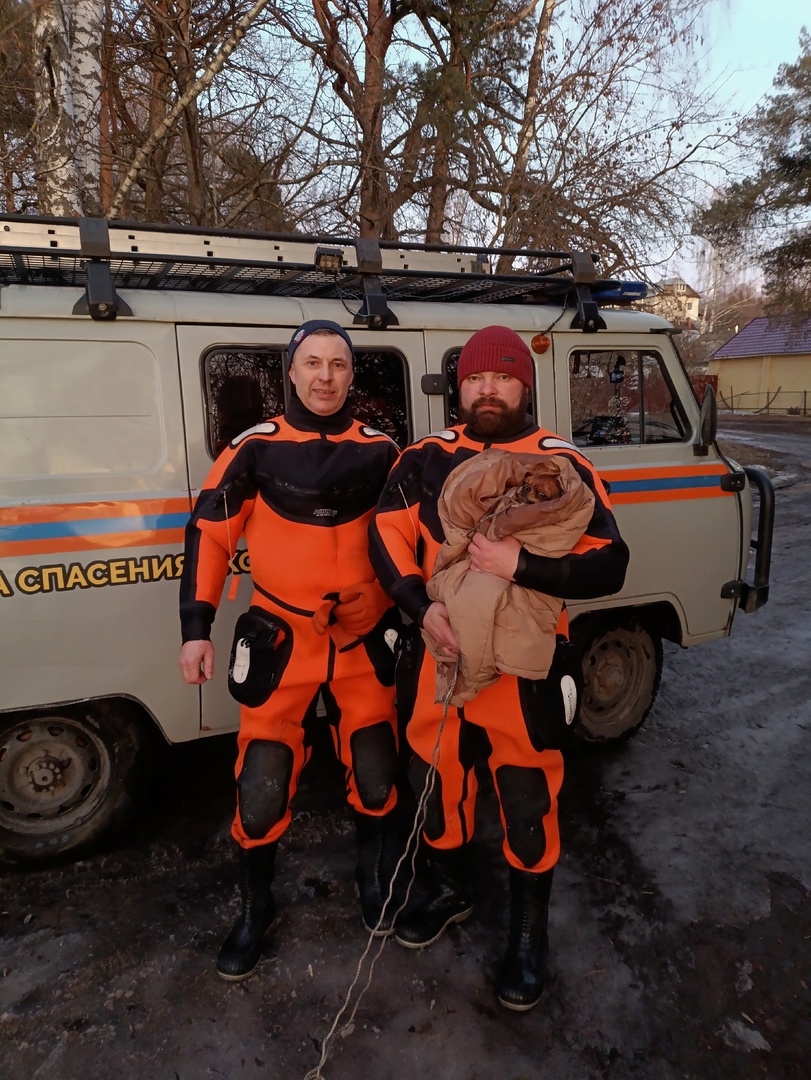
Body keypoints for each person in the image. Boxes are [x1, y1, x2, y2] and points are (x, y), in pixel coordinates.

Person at [369, 325, 629, 1011]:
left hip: (524, 666)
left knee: (524, 791)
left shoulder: (559, 463)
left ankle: (527, 933)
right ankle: (449, 887)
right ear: (459, 386)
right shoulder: (423, 459)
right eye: (475, 378)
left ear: (524, 385)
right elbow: (385, 538)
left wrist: (523, 565)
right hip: (443, 651)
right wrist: (417, 610)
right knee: (434, 773)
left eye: (502, 377)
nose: (487, 389)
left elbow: (611, 563)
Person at [179, 320, 402, 981]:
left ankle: (374, 883)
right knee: (262, 783)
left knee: (376, 768)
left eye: (338, 363)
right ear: (291, 372)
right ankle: (255, 910)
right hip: (282, 636)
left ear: (351, 374)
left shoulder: (383, 450)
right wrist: (196, 627)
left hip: (362, 638)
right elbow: (209, 539)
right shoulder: (253, 449)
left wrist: (394, 603)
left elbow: (413, 541)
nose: (326, 375)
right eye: (313, 363)